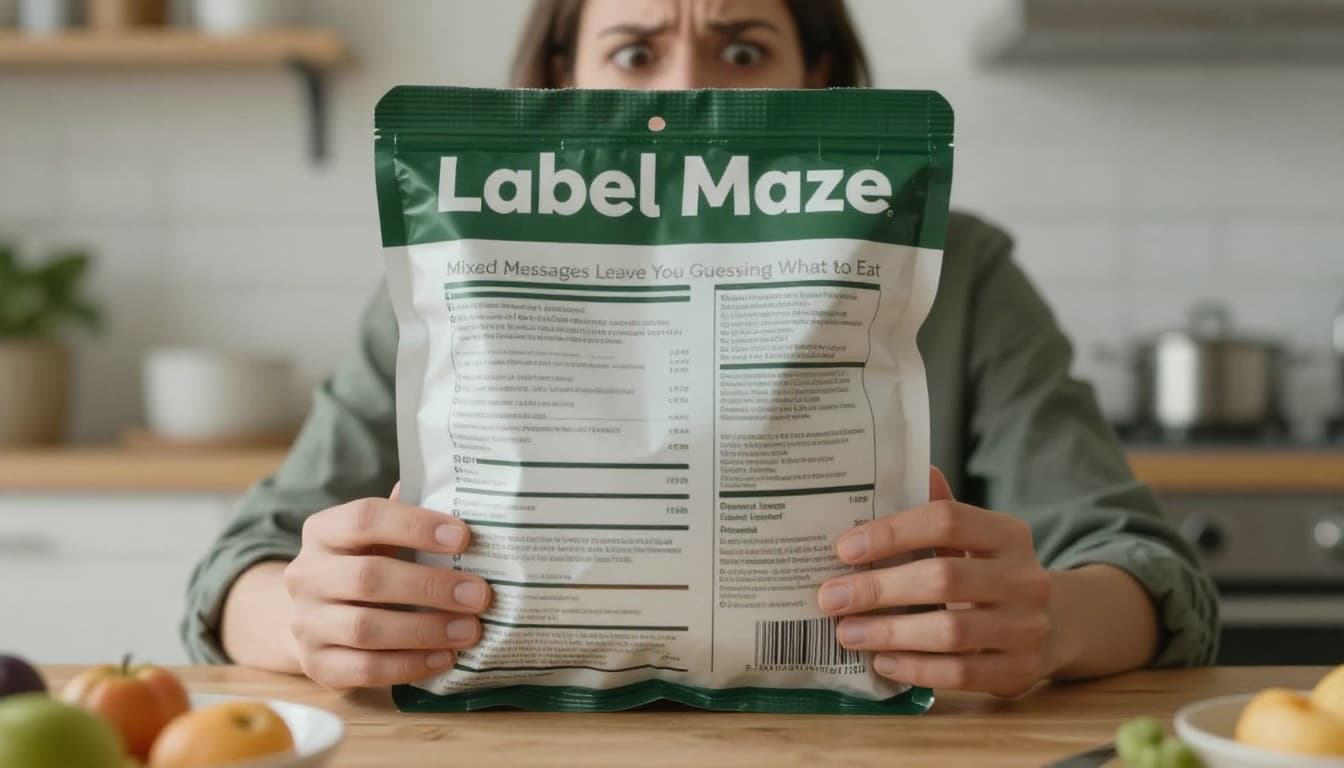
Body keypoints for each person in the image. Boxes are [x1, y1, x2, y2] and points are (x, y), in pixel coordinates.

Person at [183, 0, 1219, 698]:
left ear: (818, 79)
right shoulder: (460, 272)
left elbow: (1148, 571)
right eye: (636, 51)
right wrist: (304, 618)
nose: (686, 101)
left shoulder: (963, 271)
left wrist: (1051, 624)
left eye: (741, 50)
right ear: (563, 79)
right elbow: (243, 567)